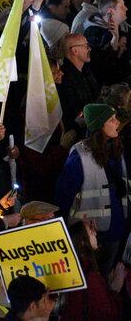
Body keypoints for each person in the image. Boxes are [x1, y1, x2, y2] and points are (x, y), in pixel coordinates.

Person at [56, 104, 128, 272]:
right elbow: (63, 197)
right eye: (112, 119)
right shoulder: (79, 157)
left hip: (116, 230)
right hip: (90, 235)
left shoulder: (117, 152)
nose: (117, 122)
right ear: (99, 125)